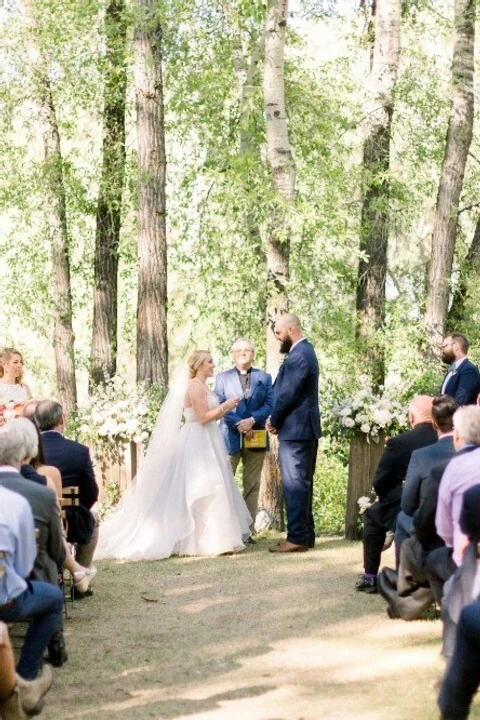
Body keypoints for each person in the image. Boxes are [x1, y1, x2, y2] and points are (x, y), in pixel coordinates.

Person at [95, 351, 252, 560]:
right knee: (204, 485)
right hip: (197, 439)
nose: (214, 365)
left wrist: (224, 408)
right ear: (198, 365)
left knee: (215, 486)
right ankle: (204, 540)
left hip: (208, 438)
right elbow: (203, 417)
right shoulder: (195, 386)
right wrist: (226, 406)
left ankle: (216, 538)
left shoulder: (203, 385)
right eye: (210, 361)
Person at [355, 395, 437, 593]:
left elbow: (380, 480)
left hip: (407, 505)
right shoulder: (449, 438)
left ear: (411, 417)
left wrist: (385, 499)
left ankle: (370, 577)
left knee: (372, 516)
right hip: (445, 504)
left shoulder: (399, 442)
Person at [266, 314, 321, 553]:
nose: (277, 337)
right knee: (302, 482)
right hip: (302, 429)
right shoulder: (305, 352)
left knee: (294, 483)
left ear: (290, 329)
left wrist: (274, 420)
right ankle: (305, 535)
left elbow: (288, 393)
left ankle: (298, 536)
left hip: (297, 429)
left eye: (278, 333)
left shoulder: (300, 355)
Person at [0, 476, 63, 685]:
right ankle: (24, 678)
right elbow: (26, 564)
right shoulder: (16, 502)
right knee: (54, 598)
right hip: (6, 598)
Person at [214, 338, 273, 536]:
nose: (243, 353)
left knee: (252, 485)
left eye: (247, 350)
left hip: (256, 435)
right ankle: (225, 530)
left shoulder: (265, 377)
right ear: (232, 354)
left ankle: (247, 532)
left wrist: (252, 420)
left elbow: (270, 404)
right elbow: (219, 404)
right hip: (229, 437)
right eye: (238, 350)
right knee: (224, 483)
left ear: (253, 353)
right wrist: (239, 424)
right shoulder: (222, 378)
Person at [35, 399, 99, 570]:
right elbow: (92, 493)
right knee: (94, 519)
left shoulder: (30, 451)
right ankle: (81, 570)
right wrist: (75, 507)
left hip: (37, 520)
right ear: (61, 420)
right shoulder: (79, 451)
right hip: (73, 522)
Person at [394, 395, 457, 563]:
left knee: (401, 517)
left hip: (432, 528)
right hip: (465, 526)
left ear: (434, 424)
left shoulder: (421, 455)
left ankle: (404, 581)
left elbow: (407, 504)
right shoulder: (472, 453)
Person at [439, 332, 480, 406]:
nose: (441, 350)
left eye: (444, 346)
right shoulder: (451, 369)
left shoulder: (469, 370)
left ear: (455, 346)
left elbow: (461, 402)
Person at [0, 348, 32, 421]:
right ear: (4, 364)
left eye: (21, 362)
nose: (19, 365)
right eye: (15, 362)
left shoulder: (25, 388)